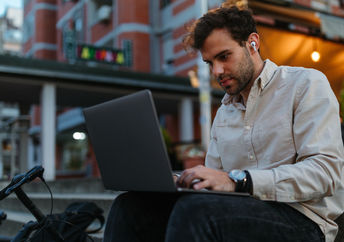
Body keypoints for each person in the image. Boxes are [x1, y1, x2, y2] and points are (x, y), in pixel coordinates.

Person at [103, 4, 344, 242]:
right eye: (209, 62)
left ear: (252, 43)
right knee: (129, 207)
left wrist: (240, 181)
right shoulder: (224, 113)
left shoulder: (305, 84)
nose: (217, 71)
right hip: (236, 210)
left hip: (303, 220)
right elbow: (214, 181)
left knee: (197, 212)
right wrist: (185, 180)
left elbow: (325, 173)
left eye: (224, 56)